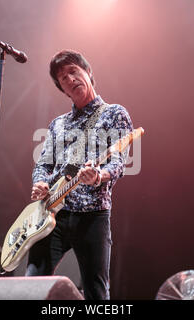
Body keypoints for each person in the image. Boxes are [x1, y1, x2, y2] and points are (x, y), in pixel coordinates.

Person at [25, 49, 133, 300]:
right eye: (63, 78)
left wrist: (98, 177)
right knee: (31, 284)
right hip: (52, 213)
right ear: (62, 90)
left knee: (96, 291)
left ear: (88, 73)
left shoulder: (114, 113)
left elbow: (118, 163)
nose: (70, 79)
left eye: (73, 71)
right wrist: (39, 182)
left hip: (92, 215)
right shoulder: (57, 124)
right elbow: (43, 164)